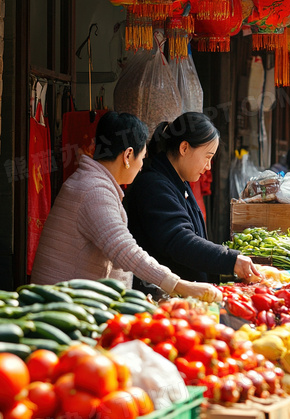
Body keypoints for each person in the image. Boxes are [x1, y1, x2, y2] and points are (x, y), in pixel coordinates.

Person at [31, 112, 220, 301]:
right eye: (143, 157)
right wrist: (179, 285)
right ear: (128, 155)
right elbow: (125, 250)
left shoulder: (90, 183)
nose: (142, 166)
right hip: (61, 307)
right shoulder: (94, 191)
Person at [125, 112, 259, 285]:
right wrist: (230, 259)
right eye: (208, 157)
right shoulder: (153, 185)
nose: (208, 166)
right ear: (184, 148)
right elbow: (179, 240)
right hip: (161, 295)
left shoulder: (178, 181)